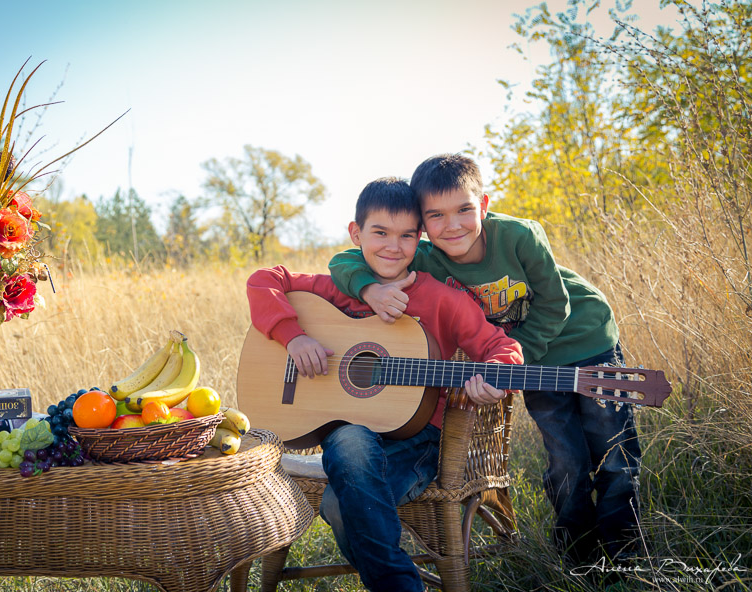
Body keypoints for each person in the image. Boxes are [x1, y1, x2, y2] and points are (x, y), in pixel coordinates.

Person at [328, 154, 642, 565]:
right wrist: (369, 288)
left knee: (613, 452)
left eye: (464, 210)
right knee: (567, 458)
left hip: (584, 339)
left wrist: (509, 363)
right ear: (422, 225)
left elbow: (554, 304)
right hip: (535, 363)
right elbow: (345, 261)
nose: (452, 225)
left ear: (484, 205)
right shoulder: (423, 255)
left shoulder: (519, 236)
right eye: (435, 216)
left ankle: (625, 556)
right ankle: (580, 559)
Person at [247, 177, 523, 592]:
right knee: (350, 438)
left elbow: (500, 345)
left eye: (406, 236)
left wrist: (497, 377)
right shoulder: (341, 290)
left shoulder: (441, 299)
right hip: (351, 439)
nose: (393, 247)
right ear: (356, 234)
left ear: (420, 239)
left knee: (341, 506)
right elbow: (265, 277)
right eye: (380, 233)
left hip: (416, 443)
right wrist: (294, 336)